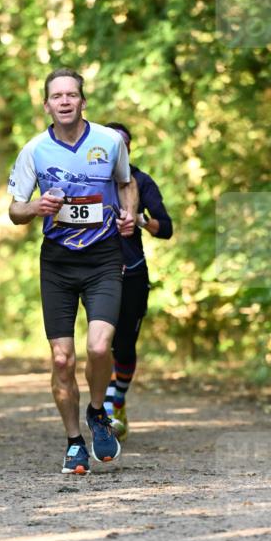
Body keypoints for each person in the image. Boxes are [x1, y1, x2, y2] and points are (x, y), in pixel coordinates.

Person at [8, 68, 137, 475]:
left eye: (72, 95)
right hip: (58, 263)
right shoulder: (34, 150)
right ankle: (73, 442)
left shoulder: (110, 141)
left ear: (83, 101)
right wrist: (36, 207)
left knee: (100, 348)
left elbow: (127, 182)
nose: (64, 101)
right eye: (56, 96)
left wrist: (130, 212)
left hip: (102, 258)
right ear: (46, 105)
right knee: (62, 359)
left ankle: (97, 413)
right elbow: (14, 209)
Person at [103, 122, 173, 441]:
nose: (117, 147)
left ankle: (117, 400)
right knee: (100, 342)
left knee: (125, 346)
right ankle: (103, 408)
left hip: (132, 271)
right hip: (97, 271)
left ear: (130, 148)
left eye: (124, 142)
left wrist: (141, 220)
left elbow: (167, 228)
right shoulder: (88, 178)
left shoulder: (141, 181)